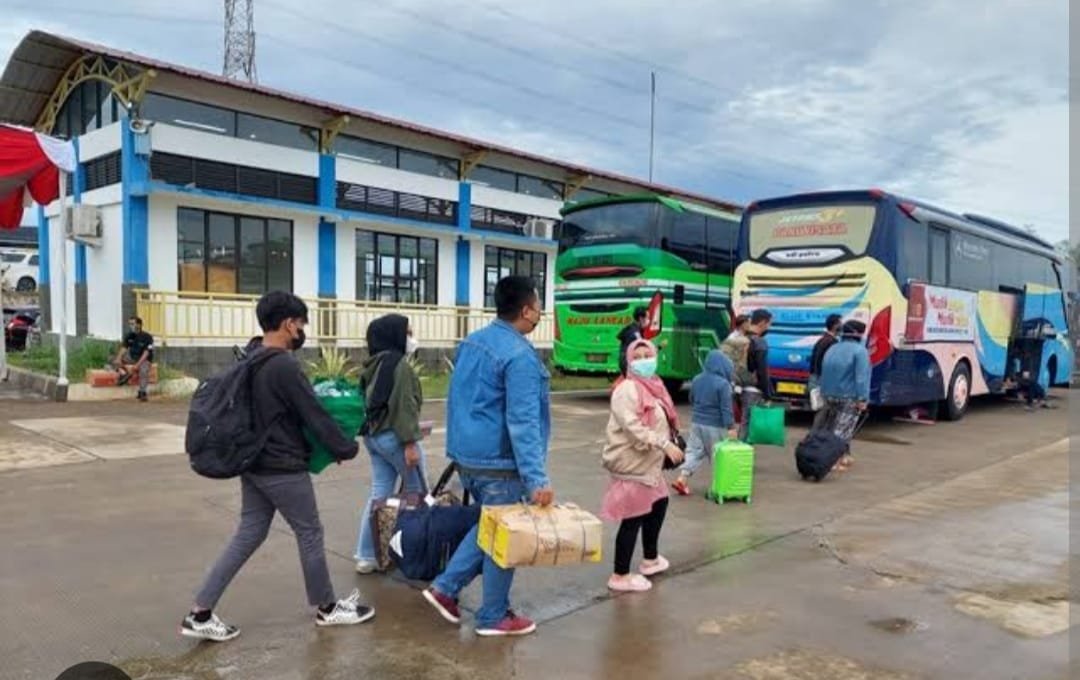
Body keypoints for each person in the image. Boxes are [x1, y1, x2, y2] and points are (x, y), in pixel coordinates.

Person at [182, 291, 372, 642]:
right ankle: (328, 607)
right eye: (301, 324)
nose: (302, 331)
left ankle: (200, 611)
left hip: (253, 463)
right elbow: (312, 413)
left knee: (249, 532)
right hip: (281, 466)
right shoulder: (283, 364)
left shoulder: (251, 356)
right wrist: (344, 447)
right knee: (310, 532)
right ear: (289, 324)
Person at [423, 276, 554, 638]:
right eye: (539, 307)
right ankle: (492, 614)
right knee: (503, 538)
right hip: (500, 465)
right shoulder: (520, 356)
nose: (540, 314)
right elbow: (523, 421)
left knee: (489, 528)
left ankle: (444, 589)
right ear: (526, 310)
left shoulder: (472, 343)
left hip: (469, 459)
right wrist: (537, 478)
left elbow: (458, 400)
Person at [601, 339, 683, 591]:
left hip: (649, 464)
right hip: (633, 463)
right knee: (634, 517)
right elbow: (633, 427)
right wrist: (664, 444)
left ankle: (651, 559)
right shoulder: (627, 389)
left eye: (648, 354)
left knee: (659, 503)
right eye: (637, 356)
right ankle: (620, 575)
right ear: (628, 361)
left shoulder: (654, 386)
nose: (644, 359)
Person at [353, 313, 427, 574]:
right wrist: (410, 444)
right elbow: (404, 406)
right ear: (395, 335)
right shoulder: (400, 366)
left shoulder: (372, 365)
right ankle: (417, 554)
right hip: (395, 437)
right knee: (417, 493)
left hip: (373, 437)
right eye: (408, 332)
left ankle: (366, 555)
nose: (411, 338)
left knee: (379, 494)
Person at [671, 349, 737, 496]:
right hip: (716, 425)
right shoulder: (723, 384)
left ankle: (682, 479)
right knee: (718, 456)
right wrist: (731, 427)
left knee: (693, 451)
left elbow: (691, 399)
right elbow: (726, 409)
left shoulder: (697, 379)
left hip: (697, 423)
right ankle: (716, 487)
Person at [817, 320, 871, 470]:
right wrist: (862, 398)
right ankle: (833, 461)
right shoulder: (860, 351)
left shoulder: (833, 348)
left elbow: (824, 371)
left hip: (828, 393)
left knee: (829, 428)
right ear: (858, 334)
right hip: (849, 396)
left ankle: (842, 456)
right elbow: (861, 377)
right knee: (842, 431)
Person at [738, 309, 774, 441]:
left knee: (744, 422)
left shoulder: (740, 338)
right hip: (753, 390)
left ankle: (739, 454)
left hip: (738, 387)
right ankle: (740, 456)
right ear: (763, 323)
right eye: (769, 324)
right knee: (749, 427)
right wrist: (768, 394)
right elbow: (762, 371)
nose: (769, 327)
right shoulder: (759, 342)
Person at [808, 314, 843, 428]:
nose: (841, 326)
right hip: (822, 379)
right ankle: (816, 437)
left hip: (816, 377)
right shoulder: (831, 342)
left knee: (820, 408)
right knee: (824, 410)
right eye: (840, 323)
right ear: (834, 325)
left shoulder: (822, 340)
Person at [114, 316, 154, 401]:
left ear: (139, 325)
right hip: (132, 357)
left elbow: (146, 353)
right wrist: (118, 358)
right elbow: (124, 348)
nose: (130, 326)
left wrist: (137, 365)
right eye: (130, 324)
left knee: (143, 370)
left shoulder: (147, 337)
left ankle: (142, 392)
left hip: (144, 359)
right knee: (112, 360)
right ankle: (124, 374)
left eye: (132, 324)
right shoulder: (129, 335)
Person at [616, 307, 649, 376]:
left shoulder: (632, 328)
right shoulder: (635, 333)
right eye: (647, 318)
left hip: (626, 365)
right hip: (629, 367)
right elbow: (642, 349)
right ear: (641, 319)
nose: (649, 321)